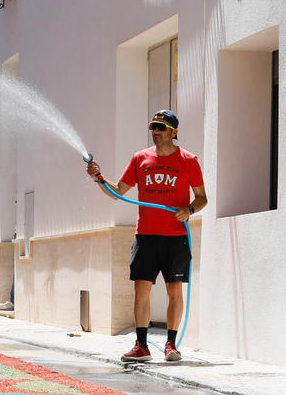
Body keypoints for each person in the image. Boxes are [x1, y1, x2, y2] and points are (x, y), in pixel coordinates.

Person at [85, 108, 209, 363]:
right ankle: (141, 346)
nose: (156, 131)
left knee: (174, 290)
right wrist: (99, 179)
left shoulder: (189, 160)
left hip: (175, 236)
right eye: (153, 126)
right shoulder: (140, 158)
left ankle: (171, 345)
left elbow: (202, 198)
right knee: (141, 290)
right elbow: (118, 192)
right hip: (146, 236)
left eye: (161, 127)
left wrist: (189, 209)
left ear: (174, 132)